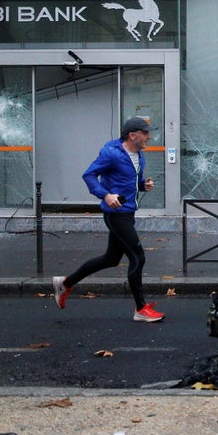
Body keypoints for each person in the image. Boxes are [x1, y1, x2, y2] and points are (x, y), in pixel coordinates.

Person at [53, 117, 163, 322]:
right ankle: (141, 308)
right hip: (116, 215)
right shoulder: (111, 154)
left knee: (111, 259)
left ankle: (65, 284)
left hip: (128, 213)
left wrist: (142, 185)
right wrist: (105, 195)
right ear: (133, 135)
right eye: (146, 133)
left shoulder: (140, 155)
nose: (149, 136)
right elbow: (89, 175)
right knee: (138, 257)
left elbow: (130, 181)